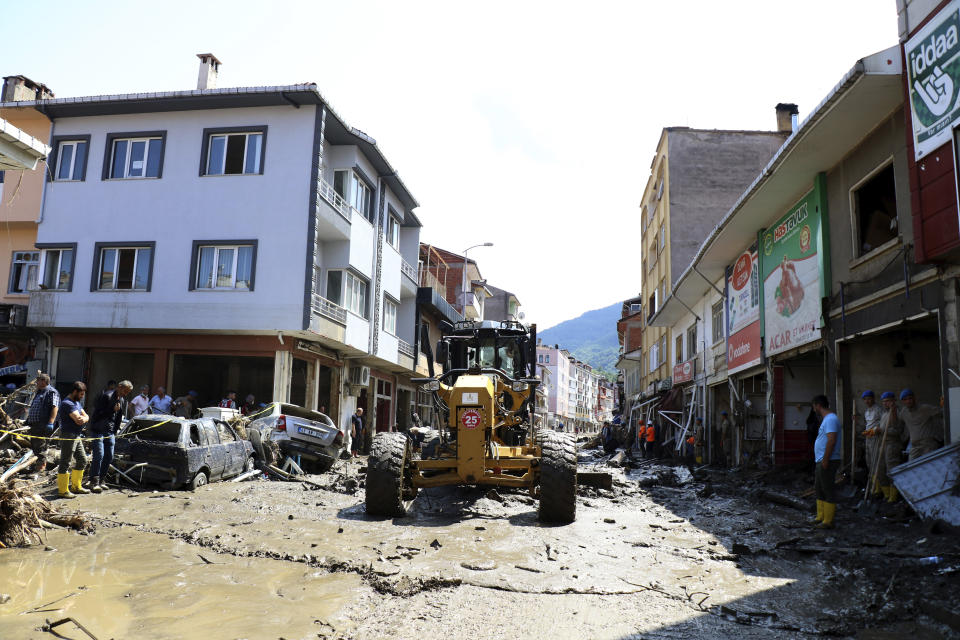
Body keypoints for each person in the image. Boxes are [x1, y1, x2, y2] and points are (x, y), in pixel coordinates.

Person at [88, 380, 132, 493]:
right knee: (99, 455)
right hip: (98, 430)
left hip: (110, 431)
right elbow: (97, 414)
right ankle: (94, 481)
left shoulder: (121, 400)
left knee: (109, 456)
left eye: (128, 392)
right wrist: (111, 410)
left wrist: (116, 430)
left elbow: (118, 417)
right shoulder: (106, 396)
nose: (125, 394)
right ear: (119, 387)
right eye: (125, 391)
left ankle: (102, 480)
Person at [811, 394, 842, 529]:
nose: (814, 410)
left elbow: (831, 439)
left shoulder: (830, 419)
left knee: (827, 488)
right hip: (821, 459)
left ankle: (828, 521)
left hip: (828, 459)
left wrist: (825, 459)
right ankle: (820, 516)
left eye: (814, 407)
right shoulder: (827, 419)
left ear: (818, 405)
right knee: (819, 488)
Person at [56, 382, 90, 499]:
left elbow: (85, 416)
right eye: (81, 394)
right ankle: (63, 490)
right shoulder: (67, 404)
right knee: (65, 461)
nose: (82, 396)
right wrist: (85, 418)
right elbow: (79, 420)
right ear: (75, 392)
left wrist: (84, 418)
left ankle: (76, 486)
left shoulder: (76, 403)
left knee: (82, 460)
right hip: (68, 435)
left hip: (76, 435)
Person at [26, 373, 59, 473]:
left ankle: (41, 467)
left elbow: (55, 407)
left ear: (44, 381)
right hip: (36, 424)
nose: (36, 382)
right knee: (35, 445)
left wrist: (51, 422)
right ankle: (38, 464)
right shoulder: (40, 392)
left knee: (41, 446)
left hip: (43, 424)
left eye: (38, 380)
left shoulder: (51, 392)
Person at [875, 391, 905, 503]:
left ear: (893, 401)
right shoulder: (884, 414)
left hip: (892, 444)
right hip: (883, 443)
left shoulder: (896, 412)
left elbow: (898, 431)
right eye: (883, 402)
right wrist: (876, 430)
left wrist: (882, 430)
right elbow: (882, 428)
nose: (885, 404)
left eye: (887, 401)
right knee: (881, 468)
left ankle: (894, 496)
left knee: (891, 470)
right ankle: (887, 494)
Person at [899, 389, 943, 460]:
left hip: (928, 445)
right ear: (902, 401)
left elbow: (943, 413)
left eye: (910, 398)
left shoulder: (925, 408)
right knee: (911, 467)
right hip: (914, 446)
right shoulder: (903, 413)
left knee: (929, 466)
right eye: (905, 399)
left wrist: (943, 404)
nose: (908, 401)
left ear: (914, 398)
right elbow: (897, 424)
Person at [855, 390, 882, 495]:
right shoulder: (867, 412)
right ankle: (873, 486)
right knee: (869, 462)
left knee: (876, 462)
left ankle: (878, 488)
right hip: (868, 439)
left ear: (873, 399)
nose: (867, 401)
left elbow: (883, 423)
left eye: (869, 398)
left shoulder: (878, 410)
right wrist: (857, 422)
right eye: (865, 399)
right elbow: (867, 424)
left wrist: (875, 430)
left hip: (876, 438)